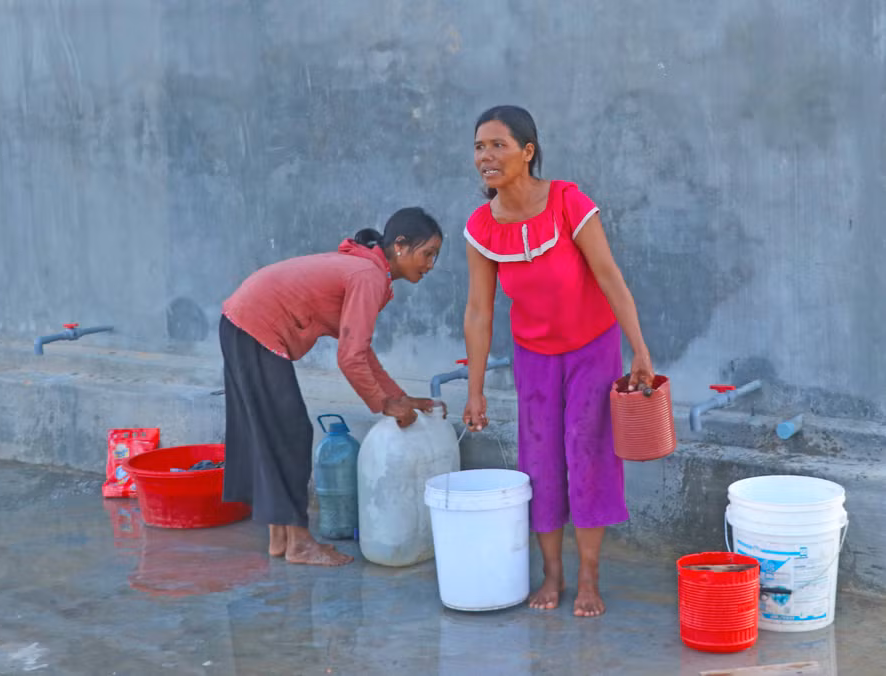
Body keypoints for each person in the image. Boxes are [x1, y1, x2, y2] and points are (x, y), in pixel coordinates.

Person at [461, 105, 655, 616]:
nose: (486, 155)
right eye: (479, 146)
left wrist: (639, 348)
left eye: (497, 145)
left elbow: (609, 275)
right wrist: (475, 389)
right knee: (540, 463)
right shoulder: (481, 227)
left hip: (593, 348)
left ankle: (589, 579)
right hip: (533, 358)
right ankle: (553, 576)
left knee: (588, 455)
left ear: (527, 152)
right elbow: (479, 313)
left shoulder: (569, 202)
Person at [220, 207, 444, 566]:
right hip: (254, 324)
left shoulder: (369, 272)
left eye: (436, 256)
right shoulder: (368, 276)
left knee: (274, 431)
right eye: (427, 253)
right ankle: (299, 542)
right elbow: (350, 357)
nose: (431, 264)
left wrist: (400, 398)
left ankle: (281, 537)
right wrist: (383, 405)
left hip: (243, 322)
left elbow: (361, 351)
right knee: (289, 431)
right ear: (400, 246)